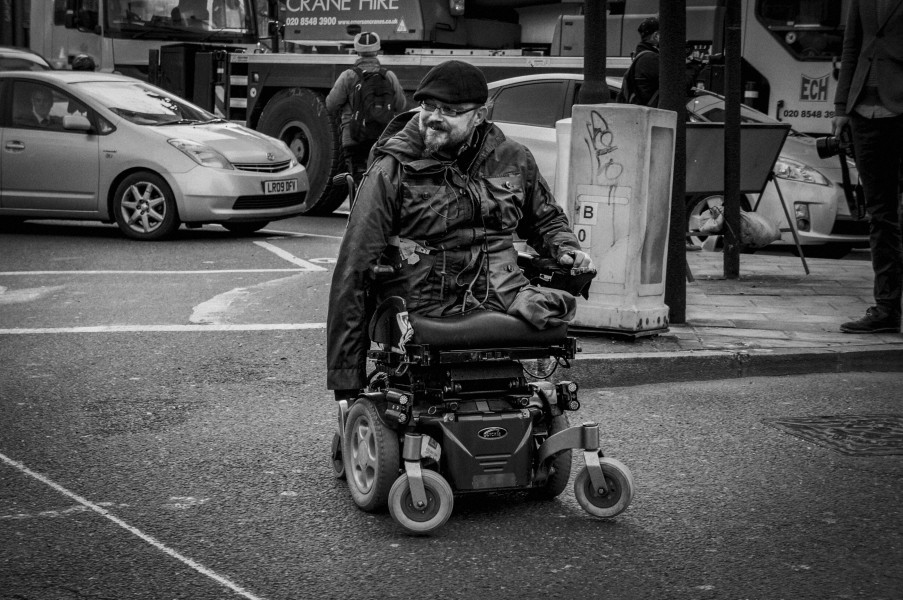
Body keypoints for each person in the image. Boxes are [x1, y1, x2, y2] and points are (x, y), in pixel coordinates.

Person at [326, 60, 595, 398]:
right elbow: (354, 268)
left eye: (449, 110)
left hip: (505, 293)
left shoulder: (514, 158)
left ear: (479, 115)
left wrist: (565, 249)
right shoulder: (392, 168)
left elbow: (547, 219)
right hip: (424, 302)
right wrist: (347, 381)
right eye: (428, 106)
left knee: (553, 324)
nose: (434, 116)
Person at [833, 0, 903, 334]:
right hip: (863, 111)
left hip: (899, 107)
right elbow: (851, 48)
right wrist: (841, 106)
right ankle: (887, 309)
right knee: (880, 215)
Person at [325, 32, 406, 188]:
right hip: (382, 138)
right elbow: (401, 105)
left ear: (357, 51)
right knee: (379, 183)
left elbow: (331, 104)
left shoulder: (348, 76)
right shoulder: (388, 76)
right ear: (377, 50)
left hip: (354, 137)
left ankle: (357, 209)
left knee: (358, 182)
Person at [617, 16, 660, 107]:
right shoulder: (651, 59)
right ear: (656, 36)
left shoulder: (641, 55)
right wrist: (692, 66)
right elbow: (677, 86)